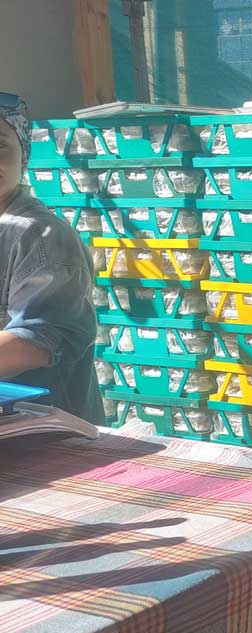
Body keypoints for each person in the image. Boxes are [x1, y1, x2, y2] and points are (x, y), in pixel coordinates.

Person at [0, 93, 102, 423]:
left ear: (23, 156)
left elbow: (33, 343)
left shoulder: (40, 236)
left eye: (0, 144)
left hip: (45, 439)